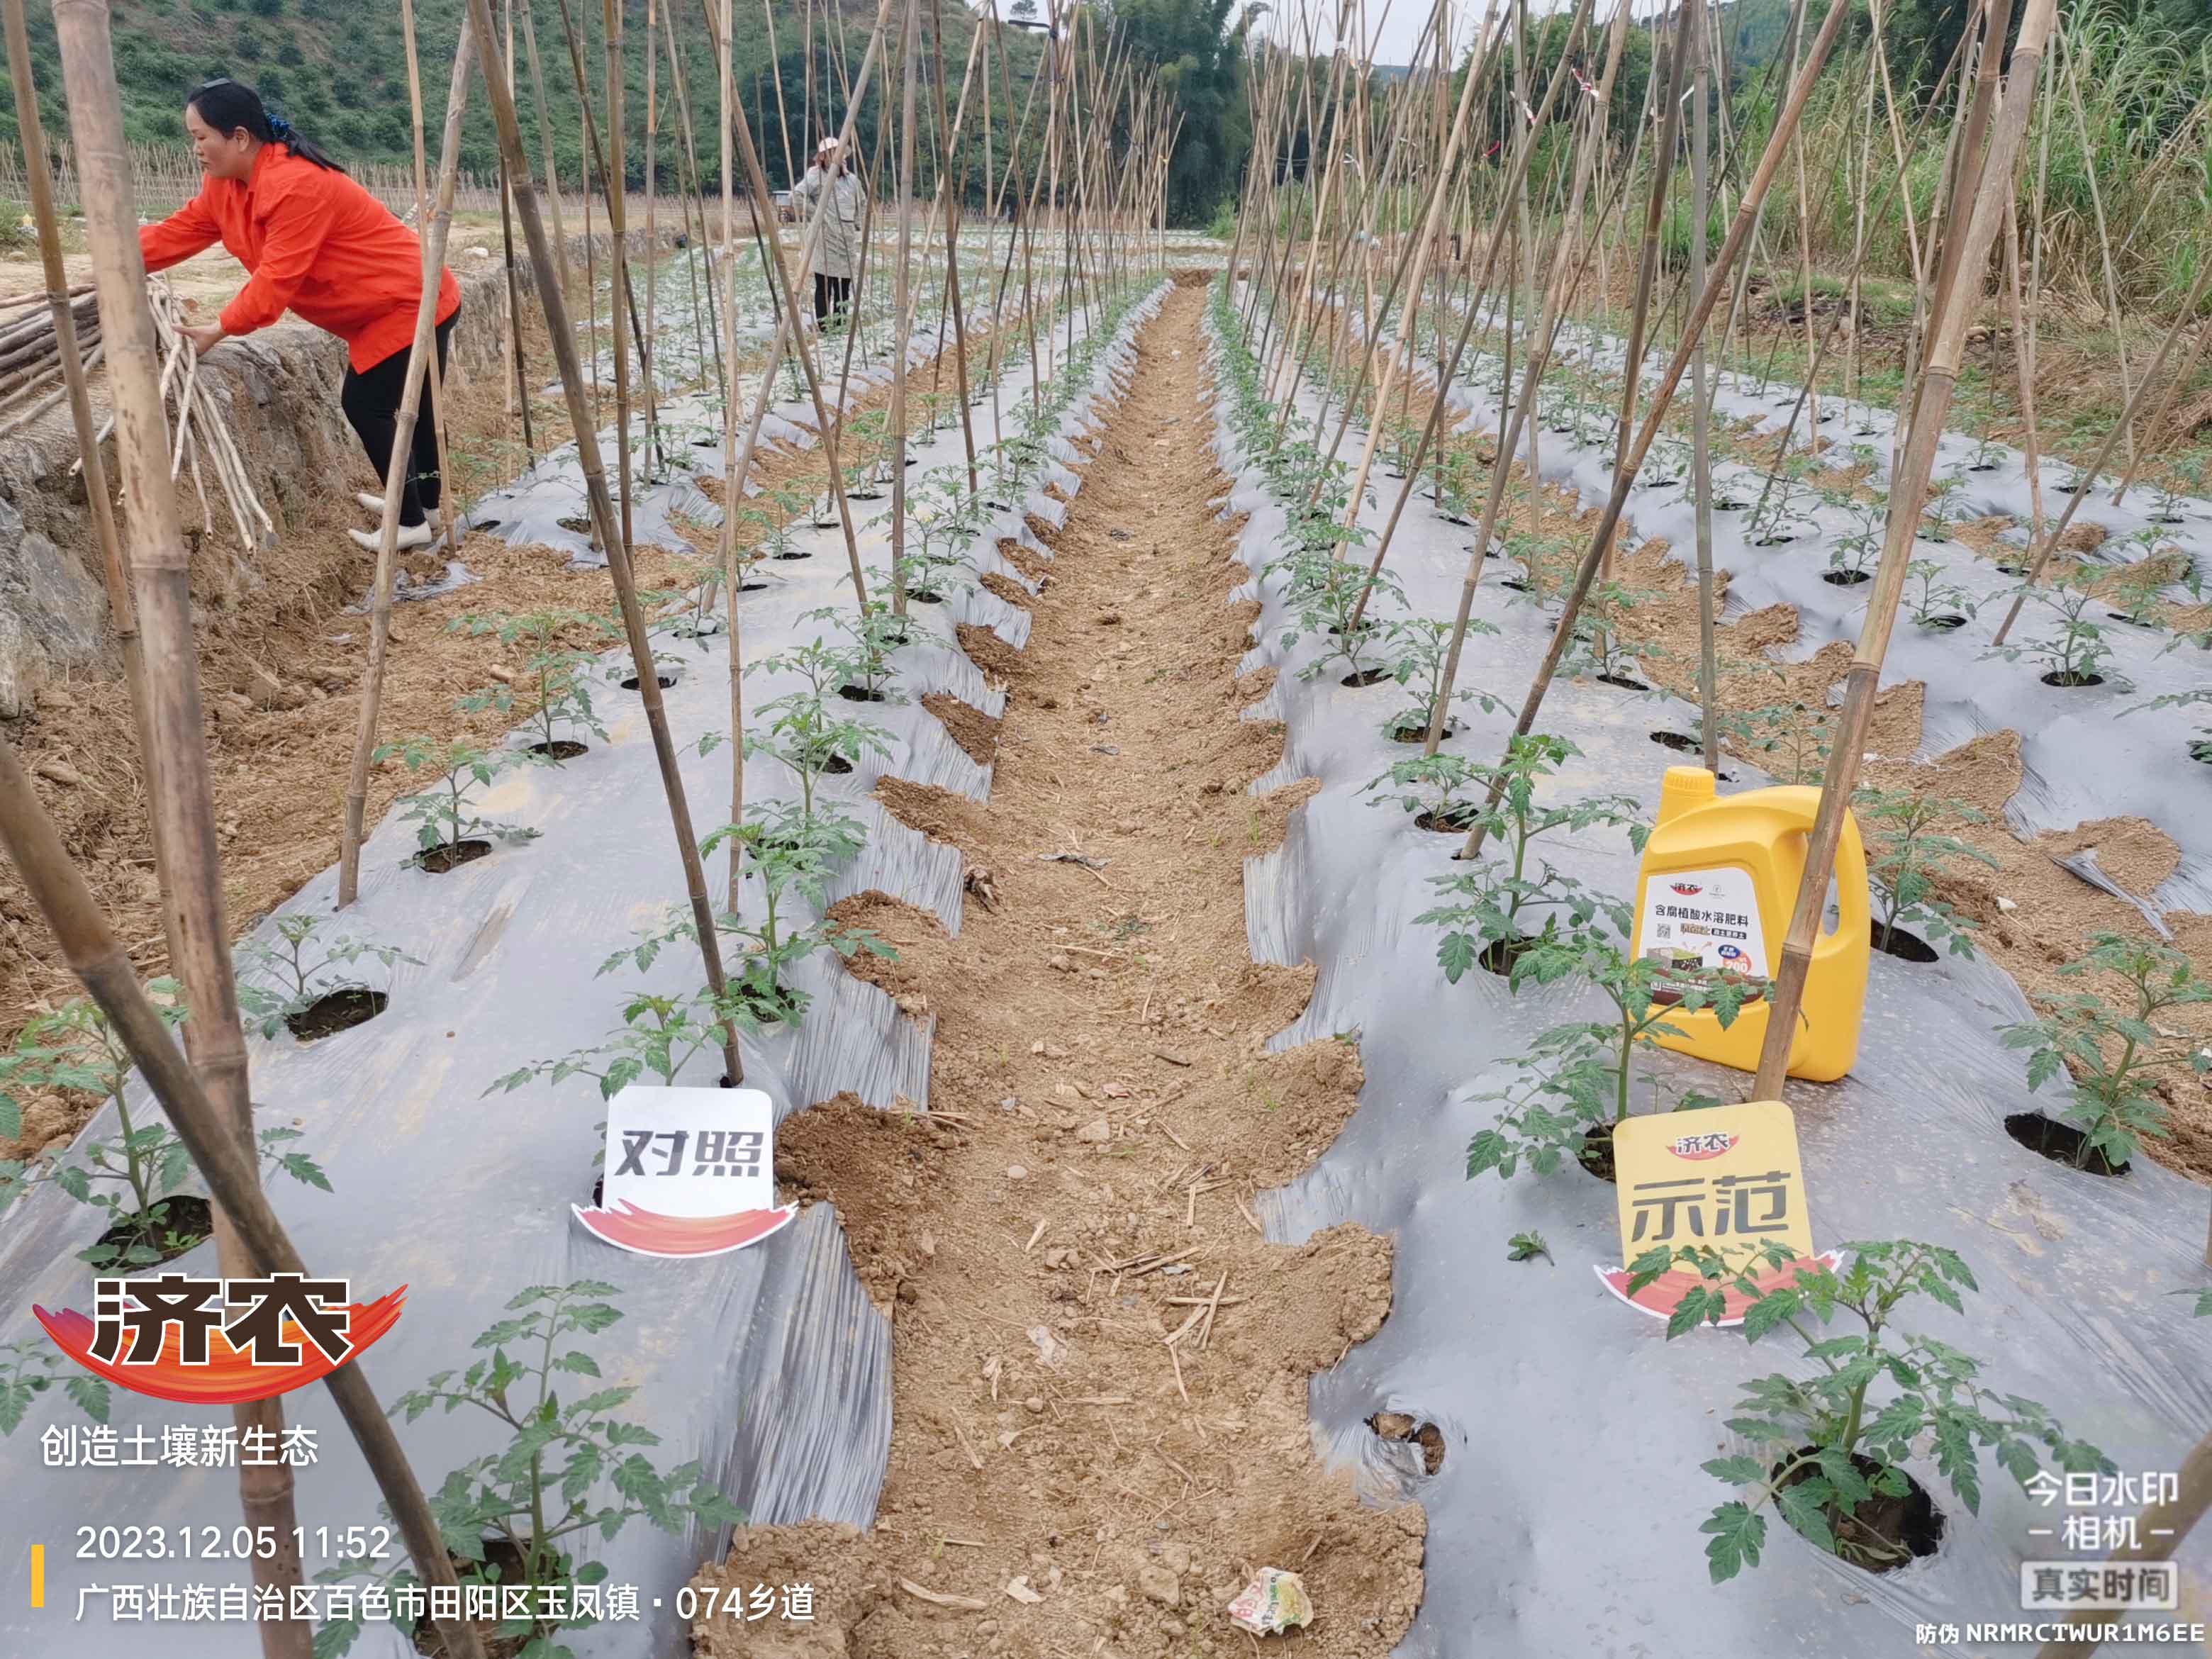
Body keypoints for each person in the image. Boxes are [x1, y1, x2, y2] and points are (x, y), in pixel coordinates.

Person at [139, 79, 462, 553]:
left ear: (240, 137)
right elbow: (181, 231)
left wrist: (220, 328)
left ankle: (410, 520)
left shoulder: (297, 186)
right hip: (384, 305)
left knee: (367, 404)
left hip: (413, 301)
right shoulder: (224, 185)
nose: (196, 149)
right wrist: (117, 257)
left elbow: (273, 284)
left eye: (201, 136)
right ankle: (424, 506)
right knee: (412, 409)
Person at [794, 137, 863, 328]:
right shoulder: (816, 176)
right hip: (824, 238)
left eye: (838, 153)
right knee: (825, 285)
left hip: (846, 240)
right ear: (823, 157)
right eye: (831, 153)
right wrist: (816, 214)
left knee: (844, 286)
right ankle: (824, 327)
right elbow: (797, 196)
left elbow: (861, 203)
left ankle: (840, 325)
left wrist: (857, 223)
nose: (836, 157)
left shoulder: (852, 181)